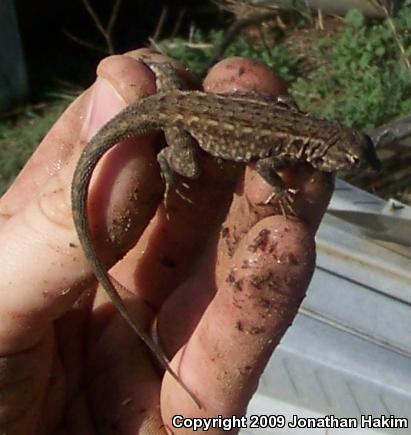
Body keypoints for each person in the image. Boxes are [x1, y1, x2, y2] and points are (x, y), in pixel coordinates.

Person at [0, 49, 332, 434]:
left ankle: (160, 71)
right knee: (188, 166)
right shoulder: (288, 146)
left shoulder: (292, 119)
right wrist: (279, 190)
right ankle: (161, 163)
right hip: (180, 118)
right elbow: (269, 168)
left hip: (180, 102)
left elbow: (277, 120)